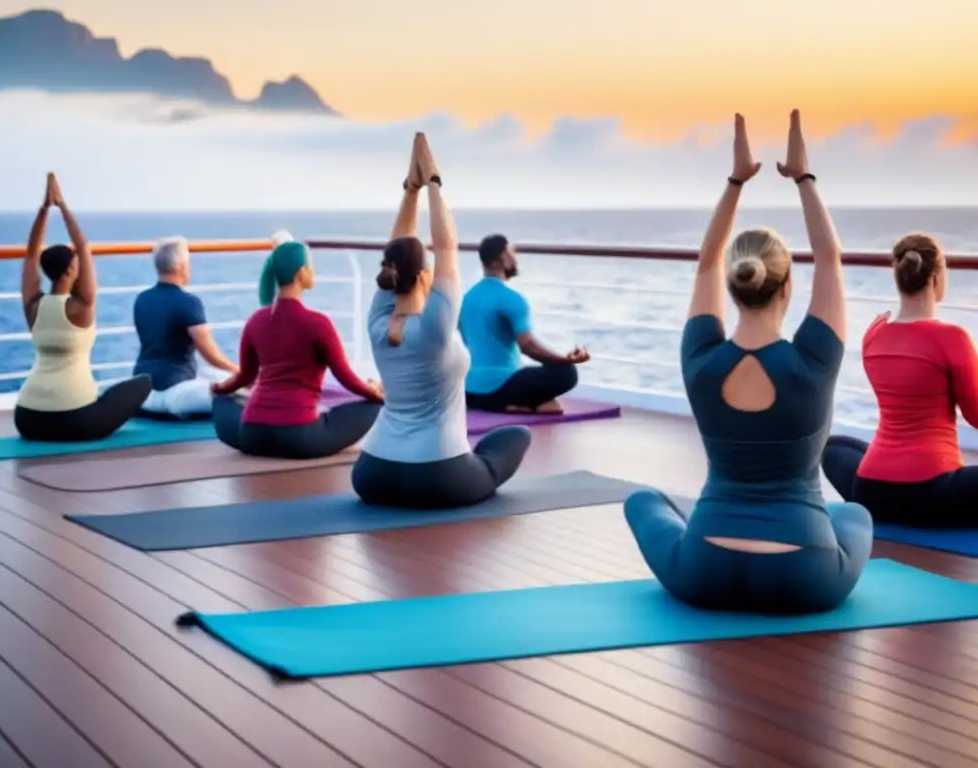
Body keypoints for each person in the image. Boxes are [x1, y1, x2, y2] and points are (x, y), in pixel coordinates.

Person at [622, 111, 873, 614]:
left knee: (642, 503)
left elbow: (707, 261)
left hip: (704, 569)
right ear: (787, 286)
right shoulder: (812, 361)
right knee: (855, 515)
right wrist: (803, 176)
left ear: (734, 285)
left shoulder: (700, 359)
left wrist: (736, 180)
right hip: (806, 576)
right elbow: (830, 257)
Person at [351, 133, 533, 509]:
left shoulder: (378, 320)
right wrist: (433, 182)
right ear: (421, 277)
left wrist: (411, 191)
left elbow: (399, 246)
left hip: (372, 474)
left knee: (489, 444)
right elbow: (447, 246)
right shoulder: (434, 326)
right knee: (515, 435)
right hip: (438, 476)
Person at [822, 233, 978, 526]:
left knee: (834, 446)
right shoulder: (953, 338)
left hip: (873, 493)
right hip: (934, 492)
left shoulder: (874, 333)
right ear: (936, 278)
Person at [210, 238, 384, 459]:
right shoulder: (318, 323)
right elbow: (346, 378)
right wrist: (377, 395)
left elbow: (244, 376)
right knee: (370, 405)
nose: (313, 271)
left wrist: (220, 390)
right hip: (298, 436)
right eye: (310, 266)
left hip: (252, 433)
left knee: (224, 400)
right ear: (301, 273)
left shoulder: (256, 320)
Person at [15, 173, 151, 442]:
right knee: (143, 382)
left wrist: (44, 209)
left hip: (28, 417)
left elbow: (31, 253)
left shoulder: (33, 306)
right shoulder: (81, 307)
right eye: (76, 263)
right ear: (69, 270)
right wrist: (62, 206)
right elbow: (83, 246)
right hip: (74, 420)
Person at [459, 234, 590, 414]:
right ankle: (519, 402)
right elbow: (528, 347)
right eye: (512, 253)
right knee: (567, 373)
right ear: (501, 258)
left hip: (469, 391)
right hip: (499, 387)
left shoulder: (466, 298)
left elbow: (466, 342)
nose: (515, 259)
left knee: (525, 376)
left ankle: (520, 404)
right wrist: (565, 360)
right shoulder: (512, 299)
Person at [132, 236, 238, 419]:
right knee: (238, 392)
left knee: (211, 375)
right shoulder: (188, 302)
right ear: (180, 264)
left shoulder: (142, 299)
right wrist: (241, 372)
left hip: (142, 393)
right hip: (175, 396)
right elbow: (210, 354)